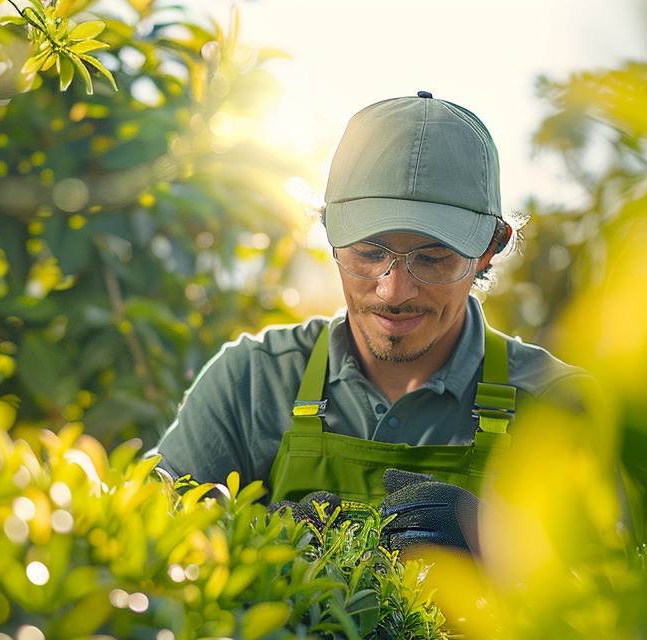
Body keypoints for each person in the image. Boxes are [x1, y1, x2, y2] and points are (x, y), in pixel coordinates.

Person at [151, 92, 592, 556]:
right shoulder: (251, 383)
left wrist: (507, 548)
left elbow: (620, 609)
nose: (393, 290)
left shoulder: (557, 407)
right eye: (368, 252)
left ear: (489, 246)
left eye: (433, 257)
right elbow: (145, 551)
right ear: (331, 233)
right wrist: (260, 543)